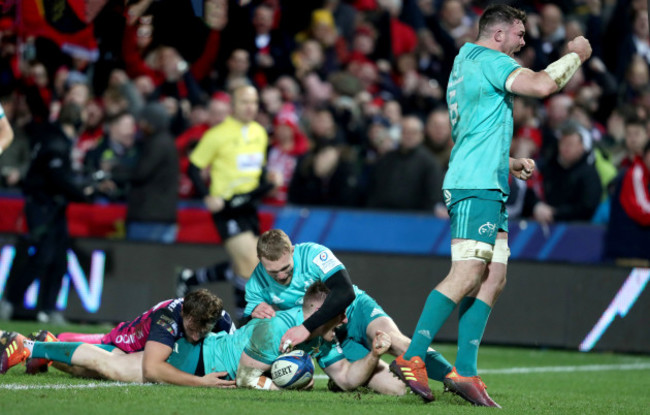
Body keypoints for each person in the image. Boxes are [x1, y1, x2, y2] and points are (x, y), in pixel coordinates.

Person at [388, 4, 592, 407]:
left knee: (493, 277)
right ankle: (412, 356)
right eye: (519, 33)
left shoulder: (467, 61)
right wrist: (577, 55)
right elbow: (541, 85)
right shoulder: (490, 59)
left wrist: (508, 162)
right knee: (467, 274)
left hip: (488, 179)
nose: (523, 41)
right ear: (499, 34)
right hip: (474, 186)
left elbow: (474, 128)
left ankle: (465, 370)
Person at [2, 283, 403, 395]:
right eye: (337, 316)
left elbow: (349, 379)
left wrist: (376, 357)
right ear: (318, 315)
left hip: (203, 353)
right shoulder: (274, 330)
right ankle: (30, 347)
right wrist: (283, 383)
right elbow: (246, 380)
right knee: (111, 361)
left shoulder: (315, 338)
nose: (343, 323)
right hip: (195, 359)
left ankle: (43, 349)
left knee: (104, 366)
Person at [245, 229, 453, 388]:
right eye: (273, 272)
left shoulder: (313, 254)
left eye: (285, 268)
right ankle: (340, 384)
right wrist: (257, 315)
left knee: (394, 341)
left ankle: (455, 378)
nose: (281, 276)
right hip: (328, 337)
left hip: (354, 311)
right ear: (261, 262)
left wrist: (306, 328)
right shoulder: (256, 283)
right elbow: (251, 333)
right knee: (395, 388)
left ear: (292, 250)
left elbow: (345, 292)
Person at [178, 85, 279, 320]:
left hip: (250, 205)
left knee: (246, 264)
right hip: (227, 207)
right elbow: (193, 167)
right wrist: (206, 195)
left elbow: (258, 169)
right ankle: (243, 322)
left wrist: (270, 179)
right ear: (232, 105)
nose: (250, 107)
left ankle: (192, 279)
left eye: (254, 102)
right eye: (244, 102)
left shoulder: (260, 133)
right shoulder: (217, 134)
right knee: (251, 262)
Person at [1, 289, 236, 387]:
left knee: (88, 372)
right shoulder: (168, 318)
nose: (196, 336)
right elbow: (153, 369)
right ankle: (37, 344)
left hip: (142, 345)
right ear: (184, 313)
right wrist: (201, 381)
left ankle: (44, 345)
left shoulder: (220, 318)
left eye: (202, 331)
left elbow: (234, 346)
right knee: (96, 365)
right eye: (192, 328)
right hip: (124, 340)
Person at [0, 103, 95, 324]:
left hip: (53, 206)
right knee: (42, 257)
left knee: (59, 259)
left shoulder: (54, 137)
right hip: (43, 207)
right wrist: (83, 194)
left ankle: (48, 309)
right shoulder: (55, 142)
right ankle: (10, 301)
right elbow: (57, 178)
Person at [125, 102, 179, 243]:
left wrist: (115, 170)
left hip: (151, 216)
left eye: (143, 121)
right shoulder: (164, 141)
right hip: (159, 215)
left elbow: (140, 173)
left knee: (142, 261)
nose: (140, 126)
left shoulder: (158, 143)